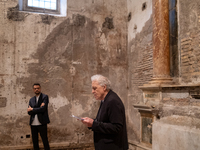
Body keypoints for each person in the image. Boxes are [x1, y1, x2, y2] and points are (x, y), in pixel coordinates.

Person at [81, 75, 128, 150]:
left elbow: (116, 127)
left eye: (95, 88)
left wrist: (94, 124)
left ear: (104, 87)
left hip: (113, 146)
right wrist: (91, 122)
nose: (92, 91)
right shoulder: (105, 99)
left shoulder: (112, 101)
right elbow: (105, 121)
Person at [27, 83, 50, 150]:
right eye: (35, 88)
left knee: (45, 140)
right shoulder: (31, 100)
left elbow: (43, 109)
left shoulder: (44, 97)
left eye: (38, 88)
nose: (36, 90)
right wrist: (37, 109)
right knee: (35, 141)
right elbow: (29, 112)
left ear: (40, 89)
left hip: (42, 122)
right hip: (33, 123)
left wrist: (33, 109)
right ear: (33, 90)